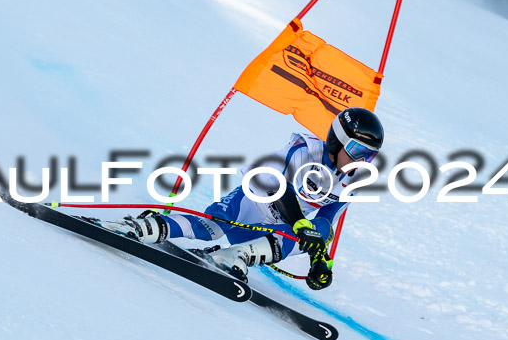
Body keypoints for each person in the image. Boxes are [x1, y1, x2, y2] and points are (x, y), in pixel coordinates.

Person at [104, 107, 384, 290]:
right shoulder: (303, 149)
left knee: (323, 232)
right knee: (209, 229)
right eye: (358, 149)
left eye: (369, 155)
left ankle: (233, 256)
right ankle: (141, 227)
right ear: (337, 140)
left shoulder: (354, 180)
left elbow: (326, 221)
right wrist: (300, 222)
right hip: (249, 205)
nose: (362, 160)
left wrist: (319, 262)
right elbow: (278, 187)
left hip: (270, 235)